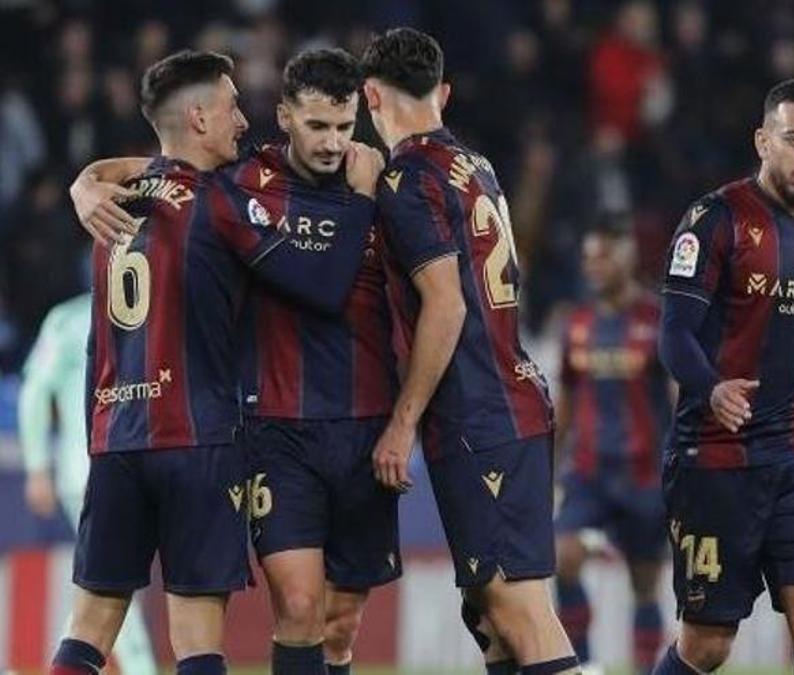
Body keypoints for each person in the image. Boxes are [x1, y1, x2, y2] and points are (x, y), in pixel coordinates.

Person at [50, 49, 381, 675]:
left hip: (116, 439)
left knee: (87, 631)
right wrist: (361, 200)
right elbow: (323, 287)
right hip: (196, 440)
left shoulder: (111, 206)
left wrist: (85, 178)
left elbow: (99, 342)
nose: (242, 121)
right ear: (199, 118)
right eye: (231, 107)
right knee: (197, 641)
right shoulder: (219, 200)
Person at [360, 26, 580, 675]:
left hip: (482, 411)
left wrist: (402, 422)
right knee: (489, 618)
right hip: (510, 397)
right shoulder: (473, 166)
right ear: (444, 94)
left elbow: (447, 304)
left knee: (517, 609)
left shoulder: (407, 178)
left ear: (370, 95)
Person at [652, 78, 794, 675]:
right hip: (717, 456)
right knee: (707, 645)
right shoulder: (714, 219)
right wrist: (711, 387)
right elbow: (675, 333)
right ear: (763, 141)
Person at [20, 292, 159, 675]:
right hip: (93, 469)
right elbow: (35, 392)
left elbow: (35, 390)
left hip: (123, 464)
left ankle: (68, 665)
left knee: (105, 584)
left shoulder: (74, 317)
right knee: (111, 585)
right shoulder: (71, 318)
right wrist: (37, 467)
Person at [554, 219, 670, 675]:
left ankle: (645, 670)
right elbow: (566, 400)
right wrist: (549, 467)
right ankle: (586, 666)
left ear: (628, 256)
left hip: (644, 474)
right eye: (588, 258)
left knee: (644, 584)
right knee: (564, 557)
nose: (594, 266)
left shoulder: (657, 320)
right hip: (588, 472)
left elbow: (679, 400)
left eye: (603, 256)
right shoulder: (577, 323)